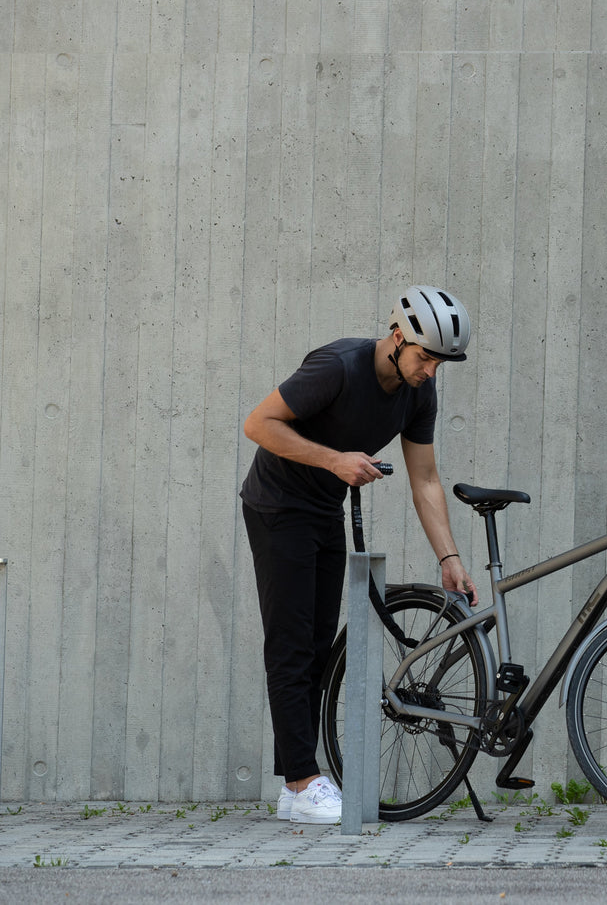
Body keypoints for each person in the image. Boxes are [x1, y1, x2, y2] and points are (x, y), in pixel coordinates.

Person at [239, 284, 480, 824]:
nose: (430, 372)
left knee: (320, 649)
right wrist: (333, 461)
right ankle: (302, 782)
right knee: (292, 644)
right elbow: (259, 424)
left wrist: (449, 558)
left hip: (321, 509)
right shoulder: (338, 366)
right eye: (424, 358)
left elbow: (425, 479)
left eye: (441, 363)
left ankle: (294, 785)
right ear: (397, 336)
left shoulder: (420, 393)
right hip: (277, 507)